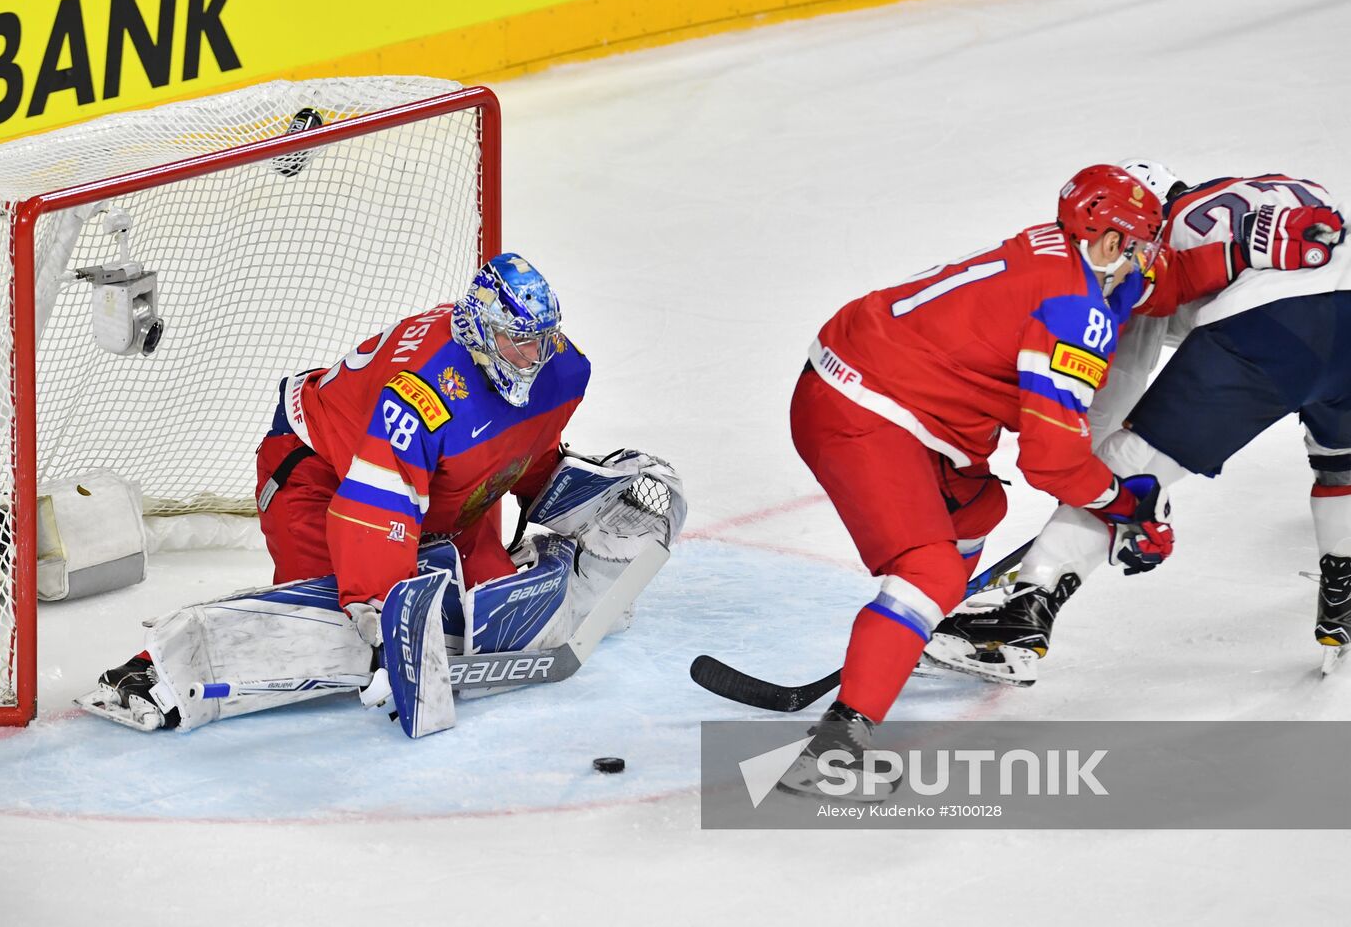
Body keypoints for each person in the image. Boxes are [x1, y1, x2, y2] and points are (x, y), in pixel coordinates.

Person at [79, 254, 685, 734]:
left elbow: (516, 448)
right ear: (478, 331)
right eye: (517, 342)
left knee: (488, 619)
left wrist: (570, 496)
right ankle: (157, 670)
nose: (534, 357)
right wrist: (380, 617)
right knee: (330, 636)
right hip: (321, 476)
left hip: (443, 495)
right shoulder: (420, 392)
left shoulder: (562, 367)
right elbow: (375, 507)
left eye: (543, 339)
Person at [776, 165, 1210, 798]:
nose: (1145, 262)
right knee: (932, 571)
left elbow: (1138, 287)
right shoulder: (1073, 309)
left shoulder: (1057, 246)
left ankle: (912, 632)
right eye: (1140, 246)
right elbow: (1053, 462)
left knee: (978, 509)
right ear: (1112, 243)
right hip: (866, 409)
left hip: (885, 384)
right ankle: (835, 746)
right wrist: (1124, 501)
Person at [926, 166, 1350, 680]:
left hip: (1265, 329)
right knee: (1340, 462)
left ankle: (1021, 616)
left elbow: (1119, 384)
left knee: (1126, 466)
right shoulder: (1278, 186)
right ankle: (1344, 594)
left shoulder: (1148, 245)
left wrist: (1107, 491)